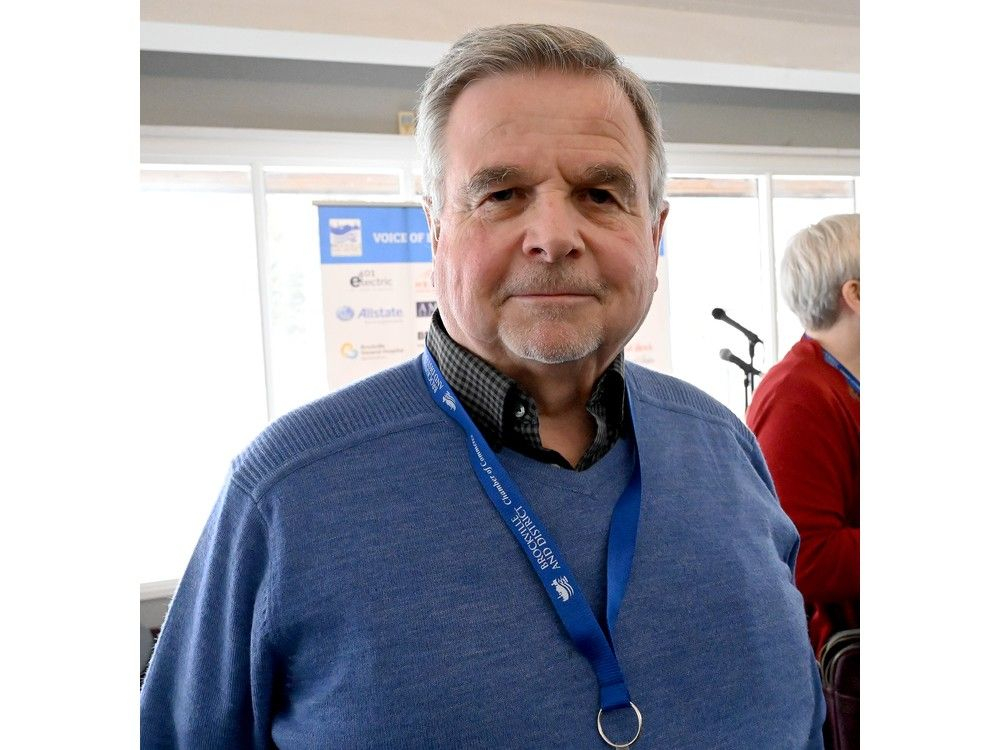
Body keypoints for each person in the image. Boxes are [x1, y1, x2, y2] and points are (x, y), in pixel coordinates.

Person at [140, 24, 824, 748]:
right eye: (501, 194)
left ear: (654, 234)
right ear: (435, 229)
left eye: (599, 193)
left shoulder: (725, 447)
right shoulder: (285, 492)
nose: (554, 236)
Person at [746, 213, 860, 654]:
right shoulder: (798, 396)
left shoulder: (838, 381)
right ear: (856, 294)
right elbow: (809, 556)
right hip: (836, 657)